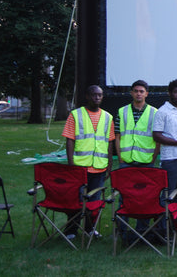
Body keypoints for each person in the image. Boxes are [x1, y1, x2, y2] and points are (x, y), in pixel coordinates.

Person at [62, 85, 115, 239]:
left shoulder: (107, 117)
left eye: (100, 95)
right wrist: (71, 162)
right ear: (87, 96)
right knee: (77, 201)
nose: (97, 98)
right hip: (80, 166)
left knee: (94, 202)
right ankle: (71, 230)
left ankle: (89, 229)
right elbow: (70, 139)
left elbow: (110, 142)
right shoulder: (75, 115)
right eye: (94, 95)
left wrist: (109, 164)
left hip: (99, 167)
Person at [114, 79, 158, 239]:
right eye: (136, 91)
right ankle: (121, 231)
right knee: (124, 196)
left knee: (145, 197)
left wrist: (153, 157)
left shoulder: (154, 113)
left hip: (146, 161)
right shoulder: (122, 112)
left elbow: (157, 138)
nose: (139, 94)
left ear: (146, 93)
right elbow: (117, 136)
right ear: (131, 93)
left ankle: (142, 230)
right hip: (126, 162)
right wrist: (120, 157)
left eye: (142, 91)